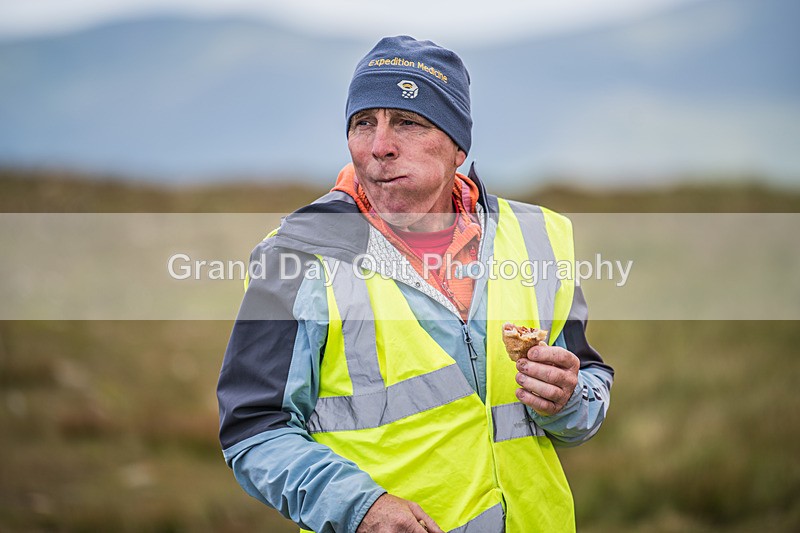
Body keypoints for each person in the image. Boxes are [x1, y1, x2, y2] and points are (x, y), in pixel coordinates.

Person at [217, 36, 614, 533]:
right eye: (364, 122)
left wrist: (569, 400)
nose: (380, 145)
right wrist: (358, 508)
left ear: (458, 145)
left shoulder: (539, 238)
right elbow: (254, 429)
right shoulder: (297, 255)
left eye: (408, 121)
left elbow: (589, 385)